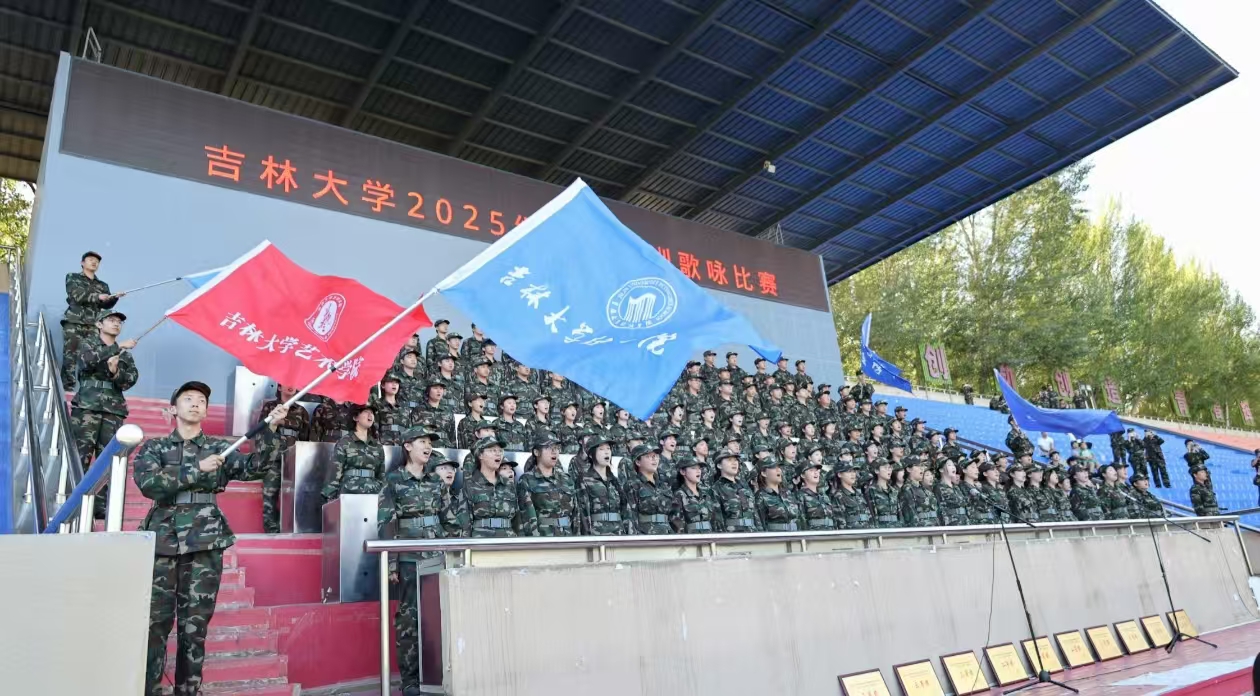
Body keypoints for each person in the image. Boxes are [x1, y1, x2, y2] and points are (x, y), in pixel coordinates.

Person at [134, 381, 288, 696]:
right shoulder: (155, 448)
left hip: (205, 541)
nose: (196, 403)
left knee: (195, 626)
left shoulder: (219, 448)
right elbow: (149, 484)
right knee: (154, 624)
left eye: (202, 400)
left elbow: (255, 468)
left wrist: (271, 430)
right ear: (172, 408)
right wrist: (196, 468)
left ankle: (189, 690)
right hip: (162, 542)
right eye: (188, 398)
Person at [377, 427, 453, 696]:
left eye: (430, 443)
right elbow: (386, 523)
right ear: (408, 446)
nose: (428, 446)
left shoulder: (436, 482)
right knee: (410, 620)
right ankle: (410, 681)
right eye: (422, 441)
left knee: (441, 616)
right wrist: (392, 563)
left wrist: (454, 553)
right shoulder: (393, 480)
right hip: (409, 557)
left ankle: (440, 674)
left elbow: (449, 519)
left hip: (437, 556)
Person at [69, 309, 138, 516]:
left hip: (113, 410)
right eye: (111, 320)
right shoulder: (88, 344)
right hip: (87, 408)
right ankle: (72, 503)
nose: (116, 324)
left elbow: (130, 380)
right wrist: (117, 347)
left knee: (108, 460)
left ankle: (100, 507)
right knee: (80, 456)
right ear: (99, 324)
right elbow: (86, 361)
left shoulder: (126, 355)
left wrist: (116, 372)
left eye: (119, 322)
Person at [61, 251, 123, 390]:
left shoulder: (103, 285)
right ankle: (68, 387)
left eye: (97, 261)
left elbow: (106, 306)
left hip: (94, 325)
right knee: (70, 355)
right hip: (74, 322)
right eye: (90, 259)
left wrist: (114, 297)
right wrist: (97, 297)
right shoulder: (72, 277)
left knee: (92, 356)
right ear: (82, 263)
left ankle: (88, 387)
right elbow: (76, 295)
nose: (94, 262)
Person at [257, 383, 311, 533]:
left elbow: (306, 437)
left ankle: (292, 529)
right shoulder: (270, 407)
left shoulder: (301, 411)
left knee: (296, 495)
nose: (291, 386)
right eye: (286, 383)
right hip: (273, 457)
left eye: (293, 383)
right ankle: (271, 531)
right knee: (270, 495)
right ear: (279, 388)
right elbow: (261, 431)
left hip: (294, 459)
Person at [516, 433, 579, 536]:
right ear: (536, 452)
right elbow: (527, 518)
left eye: (557, 448)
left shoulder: (566, 479)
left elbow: (575, 514)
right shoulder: (527, 480)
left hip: (567, 536)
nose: (554, 452)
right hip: (544, 537)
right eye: (549, 448)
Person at [457, 435, 520, 537]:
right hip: (481, 540)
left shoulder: (508, 484)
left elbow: (518, 520)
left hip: (508, 540)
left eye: (500, 451)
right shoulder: (470, 485)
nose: (498, 454)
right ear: (480, 455)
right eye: (492, 450)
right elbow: (465, 524)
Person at [322, 404, 385, 500]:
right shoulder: (344, 442)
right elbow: (334, 474)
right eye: (366, 412)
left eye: (372, 413)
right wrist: (331, 499)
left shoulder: (377, 446)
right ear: (355, 417)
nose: (370, 415)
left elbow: (381, 476)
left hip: (372, 495)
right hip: (349, 494)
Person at [577, 434, 629, 535]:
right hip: (598, 534)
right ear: (591, 455)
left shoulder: (615, 480)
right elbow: (583, 512)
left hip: (619, 533)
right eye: (601, 449)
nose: (606, 452)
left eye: (608, 449)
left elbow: (625, 509)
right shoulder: (584, 480)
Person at [626, 442, 674, 535]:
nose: (654, 459)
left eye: (655, 456)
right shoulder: (633, 485)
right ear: (638, 462)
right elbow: (631, 515)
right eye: (648, 456)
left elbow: (673, 515)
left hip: (667, 534)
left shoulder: (664, 486)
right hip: (646, 535)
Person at [712, 448, 760, 532]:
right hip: (733, 536)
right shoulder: (716, 488)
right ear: (719, 465)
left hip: (753, 533)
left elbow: (755, 514)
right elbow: (718, 521)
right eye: (729, 460)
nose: (734, 463)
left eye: (735, 460)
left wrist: (761, 533)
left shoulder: (744, 486)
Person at [671, 457, 719, 533]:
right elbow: (678, 526)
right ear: (683, 472)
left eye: (699, 468)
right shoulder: (679, 495)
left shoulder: (706, 495)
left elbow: (715, 522)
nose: (698, 471)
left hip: (709, 537)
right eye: (693, 468)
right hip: (692, 538)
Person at [755, 457, 801, 531]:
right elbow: (760, 525)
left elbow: (799, 518)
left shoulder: (787, 493)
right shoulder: (761, 496)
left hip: (796, 535)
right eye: (773, 467)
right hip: (776, 537)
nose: (779, 470)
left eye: (778, 467)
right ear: (764, 473)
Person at [796, 457, 837, 530]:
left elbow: (833, 519)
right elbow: (801, 522)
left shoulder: (824, 496)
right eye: (811, 470)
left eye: (817, 470)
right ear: (803, 475)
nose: (816, 473)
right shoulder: (800, 496)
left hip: (830, 534)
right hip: (814, 535)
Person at [898, 456, 938, 527]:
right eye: (917, 465)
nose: (921, 468)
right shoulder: (907, 490)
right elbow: (911, 518)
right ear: (909, 469)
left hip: (934, 528)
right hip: (921, 530)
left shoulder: (923, 488)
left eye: (922, 465)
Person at [832, 459, 873, 529]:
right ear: (839, 474)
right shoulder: (838, 496)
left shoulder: (859, 494)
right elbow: (840, 523)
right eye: (849, 471)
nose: (853, 474)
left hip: (867, 532)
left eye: (854, 471)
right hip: (852, 534)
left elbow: (869, 517)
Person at [866, 459, 899, 529]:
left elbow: (899, 513)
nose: (889, 470)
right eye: (885, 467)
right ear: (877, 471)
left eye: (889, 467)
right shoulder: (871, 490)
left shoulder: (894, 491)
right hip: (882, 529)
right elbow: (872, 515)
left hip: (896, 528)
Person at [935, 459, 969, 526]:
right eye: (949, 465)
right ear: (941, 470)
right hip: (951, 524)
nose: (953, 467)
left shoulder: (956, 487)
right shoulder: (938, 488)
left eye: (953, 465)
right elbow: (939, 510)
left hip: (964, 522)